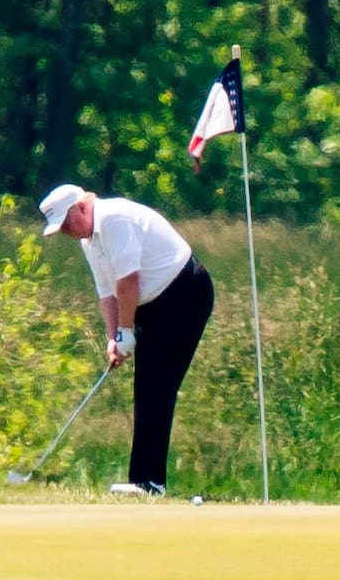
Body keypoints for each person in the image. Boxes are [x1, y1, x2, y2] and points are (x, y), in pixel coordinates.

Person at [38, 184, 214, 496]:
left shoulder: (114, 219)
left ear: (81, 206)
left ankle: (150, 482)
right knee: (147, 385)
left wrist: (127, 331)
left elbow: (128, 280)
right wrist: (114, 337)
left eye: (67, 222)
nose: (66, 231)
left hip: (185, 293)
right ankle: (144, 481)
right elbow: (107, 291)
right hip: (153, 305)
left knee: (156, 384)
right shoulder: (88, 239)